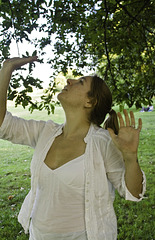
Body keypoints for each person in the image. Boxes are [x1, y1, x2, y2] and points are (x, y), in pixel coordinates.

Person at [0, 57, 146, 240]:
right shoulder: (45, 132)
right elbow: (3, 125)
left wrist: (131, 156)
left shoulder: (103, 142)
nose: (70, 81)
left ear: (89, 102)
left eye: (80, 82)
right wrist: (7, 69)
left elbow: (133, 192)